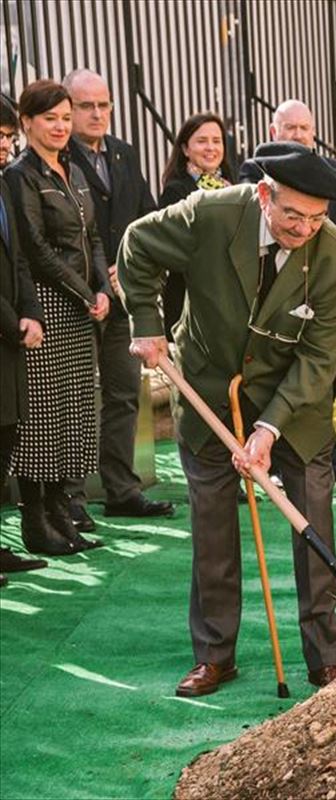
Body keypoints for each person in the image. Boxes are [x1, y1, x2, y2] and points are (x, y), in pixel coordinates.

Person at [119, 141, 336, 696]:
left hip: (294, 407)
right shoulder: (212, 213)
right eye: (292, 215)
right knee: (212, 527)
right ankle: (215, 655)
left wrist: (268, 428)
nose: (303, 229)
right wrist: (146, 324)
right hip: (206, 387)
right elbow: (137, 244)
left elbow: (320, 358)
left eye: (317, 219)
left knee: (312, 523)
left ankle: (326, 656)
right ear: (263, 195)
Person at [60, 68, 173, 528]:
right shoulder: (56, 156)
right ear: (68, 108)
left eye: (103, 104)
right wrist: (92, 275)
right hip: (75, 296)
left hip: (122, 296)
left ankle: (122, 489)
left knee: (125, 393)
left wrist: (128, 267)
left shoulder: (125, 154)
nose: (97, 113)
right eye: (85, 105)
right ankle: (68, 496)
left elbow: (147, 219)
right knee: (75, 398)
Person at [5, 80, 109, 555]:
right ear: (26, 123)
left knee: (74, 413)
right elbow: (35, 248)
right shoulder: (22, 175)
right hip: (47, 304)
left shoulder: (72, 169)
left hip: (81, 307)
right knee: (44, 419)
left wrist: (103, 289)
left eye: (66, 117)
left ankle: (61, 511)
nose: (62, 126)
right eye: (51, 118)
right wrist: (84, 290)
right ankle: (36, 520)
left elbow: (94, 236)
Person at [240, 98, 336, 482]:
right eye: (290, 127)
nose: (298, 134)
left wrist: (328, 253)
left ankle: (330, 459)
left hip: (324, 284)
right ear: (273, 132)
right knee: (274, 378)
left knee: (319, 374)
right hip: (274, 300)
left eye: (304, 128)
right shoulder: (253, 172)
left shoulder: (335, 171)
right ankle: (270, 458)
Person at [0, 95, 49, 582]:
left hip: (12, 337)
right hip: (5, 330)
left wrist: (31, 312)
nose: (4, 146)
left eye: (6, 137)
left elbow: (19, 260)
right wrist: (14, 320)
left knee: (6, 435)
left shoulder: (3, 185)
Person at [159, 112, 234, 337]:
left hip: (227, 300)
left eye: (216, 141)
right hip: (190, 300)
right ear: (185, 149)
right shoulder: (176, 191)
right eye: (202, 141)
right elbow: (175, 250)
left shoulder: (231, 188)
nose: (210, 147)